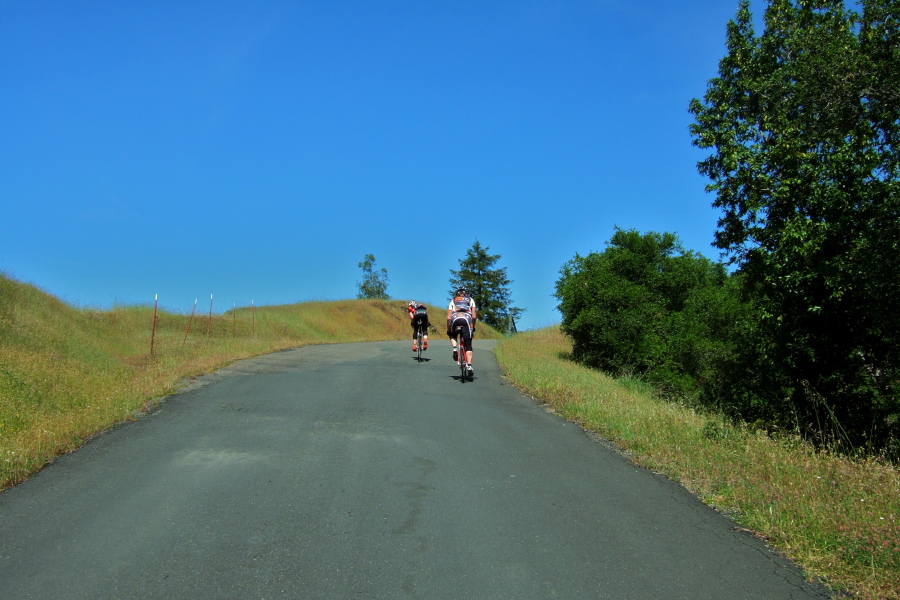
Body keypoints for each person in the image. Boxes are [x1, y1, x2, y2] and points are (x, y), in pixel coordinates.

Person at [447, 287, 476, 375]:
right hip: (467, 319)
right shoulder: (470, 300)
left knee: (452, 334)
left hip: (455, 319)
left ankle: (455, 348)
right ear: (465, 293)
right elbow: (474, 316)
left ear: (457, 294)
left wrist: (449, 329)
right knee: (468, 344)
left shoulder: (453, 300)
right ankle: (469, 365)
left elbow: (448, 317)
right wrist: (473, 326)